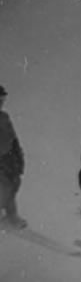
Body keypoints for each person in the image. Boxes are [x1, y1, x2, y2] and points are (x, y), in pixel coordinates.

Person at [0, 85, 27, 229]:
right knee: (4, 186)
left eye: (2, 99)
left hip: (9, 158)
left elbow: (13, 139)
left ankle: (11, 214)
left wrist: (19, 156)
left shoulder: (4, 117)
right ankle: (11, 215)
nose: (1, 102)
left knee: (14, 184)